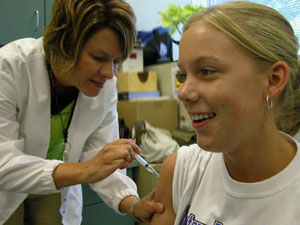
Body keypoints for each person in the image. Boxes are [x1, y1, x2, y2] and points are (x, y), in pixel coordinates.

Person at [0, 0, 163, 224]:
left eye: (116, 61)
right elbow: (3, 163)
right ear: (64, 43)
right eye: (99, 58)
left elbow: (100, 158)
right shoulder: (10, 68)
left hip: (56, 187)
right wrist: (85, 170)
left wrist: (133, 205)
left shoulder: (103, 85)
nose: (109, 73)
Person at [151, 1, 300, 224]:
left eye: (207, 71)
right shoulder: (180, 171)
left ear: (273, 79)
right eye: (183, 76)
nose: (183, 93)